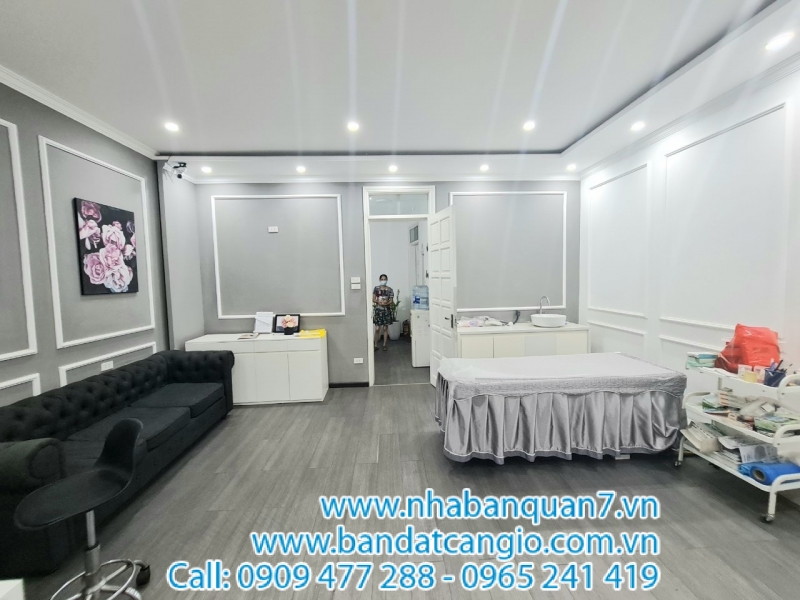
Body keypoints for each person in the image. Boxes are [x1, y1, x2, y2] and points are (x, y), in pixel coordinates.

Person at [373, 274, 394, 351]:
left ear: (387, 280)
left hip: (386, 311)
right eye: (382, 279)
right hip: (379, 310)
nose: (383, 280)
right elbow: (373, 299)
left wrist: (386, 303)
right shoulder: (376, 288)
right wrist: (379, 302)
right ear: (380, 280)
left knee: (385, 328)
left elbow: (391, 301)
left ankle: (384, 345)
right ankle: (375, 345)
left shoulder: (390, 290)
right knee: (377, 328)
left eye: (384, 279)